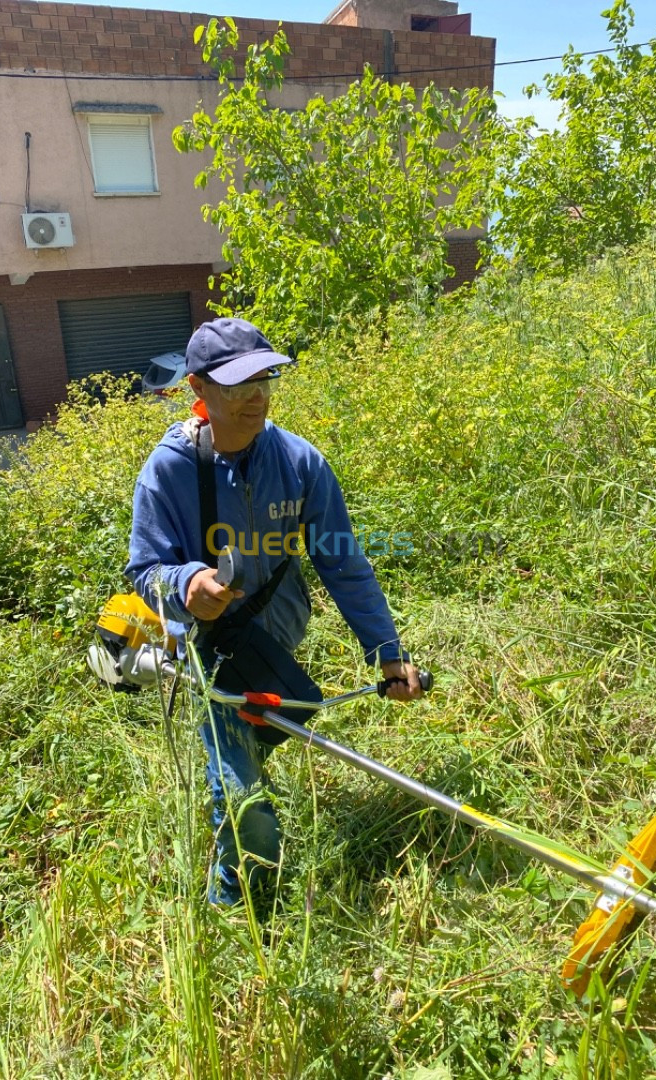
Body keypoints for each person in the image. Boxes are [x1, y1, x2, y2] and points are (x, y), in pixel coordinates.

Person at [126, 316, 421, 905]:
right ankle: (237, 905)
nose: (256, 398)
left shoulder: (299, 462)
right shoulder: (170, 470)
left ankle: (233, 825)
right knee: (245, 797)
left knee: (247, 754)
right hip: (207, 650)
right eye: (237, 386)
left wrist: (388, 653)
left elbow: (343, 562)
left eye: (264, 381)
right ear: (198, 389)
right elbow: (143, 571)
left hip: (277, 634)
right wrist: (187, 583)